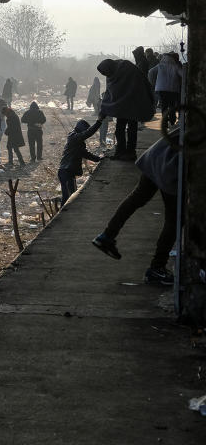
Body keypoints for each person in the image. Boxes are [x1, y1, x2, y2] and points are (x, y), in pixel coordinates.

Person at [91, 131, 179, 285]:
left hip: (157, 156)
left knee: (136, 198)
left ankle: (107, 236)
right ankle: (157, 268)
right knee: (175, 218)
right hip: (171, 166)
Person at [98, 58, 156, 161]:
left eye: (105, 73)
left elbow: (140, 83)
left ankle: (130, 153)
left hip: (133, 103)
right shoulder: (111, 74)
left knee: (131, 129)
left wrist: (104, 110)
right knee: (120, 129)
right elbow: (109, 93)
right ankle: (120, 152)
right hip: (122, 106)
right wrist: (103, 110)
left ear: (109, 68)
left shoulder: (127, 68)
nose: (106, 76)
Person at [57, 118, 103, 204]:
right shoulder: (74, 137)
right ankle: (65, 216)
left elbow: (85, 154)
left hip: (67, 172)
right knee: (68, 198)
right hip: (65, 171)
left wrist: (99, 159)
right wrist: (98, 122)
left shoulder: (76, 141)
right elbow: (88, 133)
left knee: (72, 197)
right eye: (85, 130)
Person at [153, 52, 183, 128]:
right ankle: (172, 121)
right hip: (173, 89)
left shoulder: (160, 66)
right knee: (172, 105)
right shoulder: (175, 66)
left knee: (164, 106)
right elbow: (182, 74)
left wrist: (154, 83)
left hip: (162, 89)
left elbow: (150, 72)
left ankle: (164, 122)